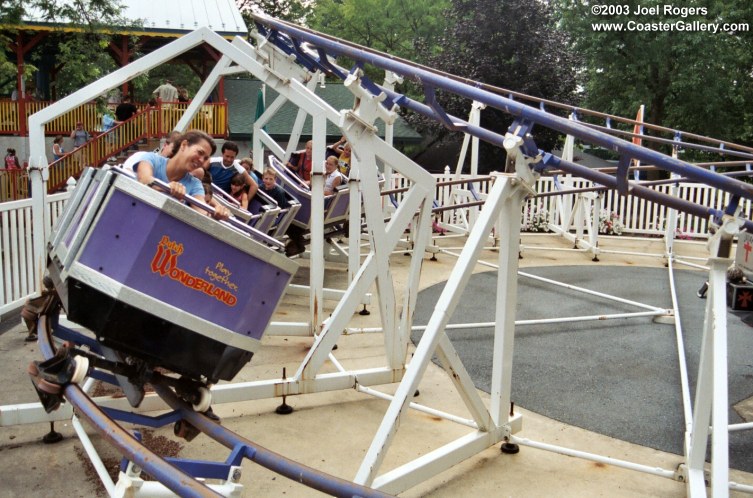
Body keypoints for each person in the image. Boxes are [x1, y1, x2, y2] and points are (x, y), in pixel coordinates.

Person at [133, 130, 229, 221]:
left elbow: (202, 211)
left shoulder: (195, 184)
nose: (201, 160)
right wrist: (167, 187)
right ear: (184, 145)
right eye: (200, 153)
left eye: (205, 158)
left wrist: (216, 214)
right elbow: (144, 179)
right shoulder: (152, 159)